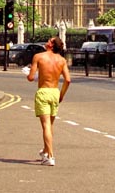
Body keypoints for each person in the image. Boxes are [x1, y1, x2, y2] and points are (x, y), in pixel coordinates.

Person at [27, 36, 71, 166]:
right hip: (55, 92)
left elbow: (30, 77)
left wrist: (31, 73)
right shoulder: (62, 60)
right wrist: (61, 95)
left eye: (49, 41)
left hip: (44, 92)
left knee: (45, 126)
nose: (46, 42)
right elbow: (68, 80)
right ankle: (45, 151)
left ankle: (50, 157)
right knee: (50, 126)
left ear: (51, 45)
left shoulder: (39, 57)